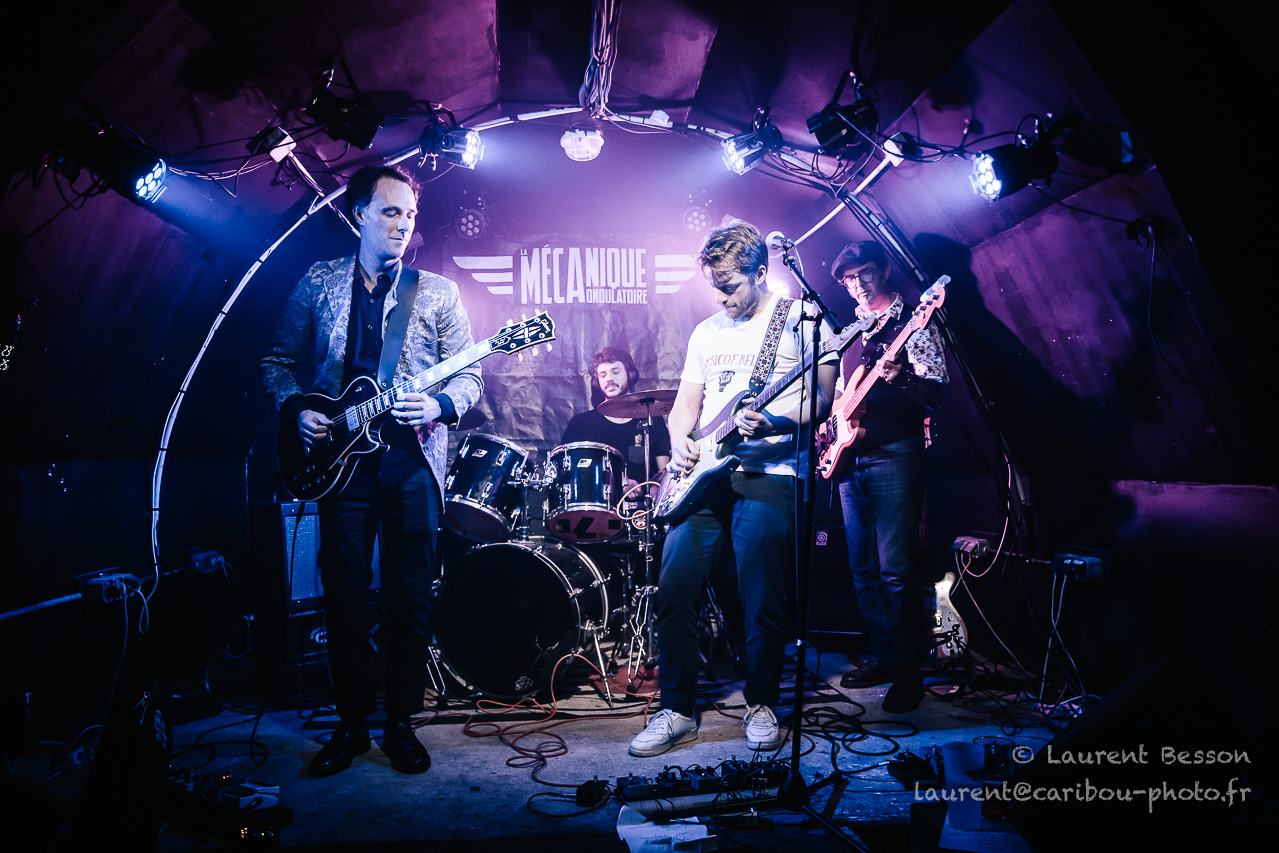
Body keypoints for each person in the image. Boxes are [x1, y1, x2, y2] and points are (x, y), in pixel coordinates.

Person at [261, 164, 483, 776]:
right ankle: (352, 725)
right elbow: (276, 361)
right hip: (340, 467)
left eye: (410, 215)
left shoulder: (436, 292)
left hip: (412, 463)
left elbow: (470, 374)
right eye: (390, 212)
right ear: (358, 213)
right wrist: (297, 408)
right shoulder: (319, 280)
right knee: (344, 600)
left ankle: (401, 723)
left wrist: (440, 404)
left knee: (410, 600)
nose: (403, 225)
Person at [628, 222, 838, 757]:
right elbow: (686, 404)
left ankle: (762, 702)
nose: (722, 298)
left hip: (772, 473)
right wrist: (679, 440)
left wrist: (774, 423)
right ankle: (676, 709)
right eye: (715, 288)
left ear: (762, 272)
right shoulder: (706, 332)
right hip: (705, 475)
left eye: (730, 287)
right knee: (676, 587)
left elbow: (821, 400)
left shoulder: (802, 319)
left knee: (762, 594)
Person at [828, 240, 947, 714]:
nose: (857, 284)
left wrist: (903, 379)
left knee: (897, 568)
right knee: (862, 569)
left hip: (895, 453)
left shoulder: (913, 323)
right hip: (849, 458)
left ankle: (909, 672)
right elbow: (843, 395)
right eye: (849, 278)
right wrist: (829, 426)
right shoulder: (851, 333)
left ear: (885, 271)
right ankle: (884, 655)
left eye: (865, 273)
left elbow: (937, 394)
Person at [561, 347, 671, 492]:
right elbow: (563, 474)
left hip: (639, 505)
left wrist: (648, 489)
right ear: (597, 382)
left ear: (631, 375)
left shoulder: (652, 419)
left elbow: (665, 474)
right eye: (603, 375)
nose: (609, 379)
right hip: (595, 504)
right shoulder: (580, 424)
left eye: (615, 372)